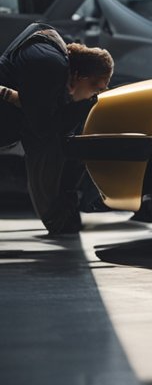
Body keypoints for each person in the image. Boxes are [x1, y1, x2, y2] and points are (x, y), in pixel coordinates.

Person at [0, 24, 113, 235]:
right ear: (80, 77)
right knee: (53, 142)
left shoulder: (54, 54)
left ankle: (61, 216)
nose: (92, 96)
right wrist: (82, 107)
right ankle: (57, 218)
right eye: (96, 89)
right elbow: (43, 128)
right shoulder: (50, 63)